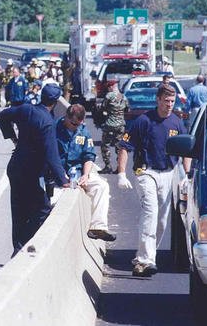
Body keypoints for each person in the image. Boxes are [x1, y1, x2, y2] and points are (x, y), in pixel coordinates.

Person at [116, 84, 191, 277]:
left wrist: (187, 176)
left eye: (172, 101)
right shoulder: (143, 121)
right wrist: (121, 173)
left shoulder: (177, 122)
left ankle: (144, 256)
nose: (169, 105)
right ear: (157, 100)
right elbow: (125, 146)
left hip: (168, 173)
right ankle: (146, 260)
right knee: (151, 211)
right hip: (146, 171)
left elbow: (185, 150)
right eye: (166, 101)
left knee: (162, 222)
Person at [0, 84, 69, 257]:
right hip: (31, 171)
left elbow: (1, 116)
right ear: (56, 102)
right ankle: (21, 243)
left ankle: (17, 248)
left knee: (18, 209)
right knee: (43, 208)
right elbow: (52, 155)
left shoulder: (26, 109)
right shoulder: (47, 122)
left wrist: (13, 138)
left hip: (15, 166)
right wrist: (64, 180)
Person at [55, 104, 116, 241]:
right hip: (58, 174)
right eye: (73, 123)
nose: (75, 126)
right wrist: (61, 176)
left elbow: (88, 156)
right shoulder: (54, 129)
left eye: (78, 124)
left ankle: (97, 227)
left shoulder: (83, 131)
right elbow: (50, 156)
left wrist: (86, 175)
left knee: (101, 186)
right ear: (66, 117)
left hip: (77, 172)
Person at [98, 80, 129, 175]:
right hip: (121, 125)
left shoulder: (109, 96)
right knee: (119, 146)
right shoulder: (123, 96)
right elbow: (127, 109)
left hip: (110, 124)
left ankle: (108, 166)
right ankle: (120, 167)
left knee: (105, 145)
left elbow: (103, 108)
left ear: (110, 87)